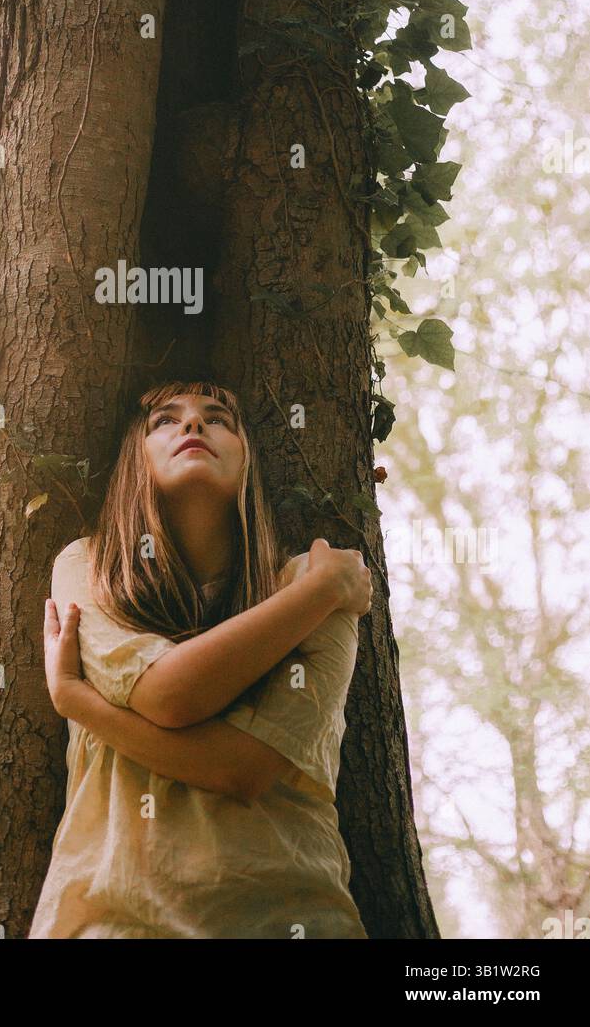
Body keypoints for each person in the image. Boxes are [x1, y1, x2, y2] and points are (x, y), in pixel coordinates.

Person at [28, 379, 373, 939]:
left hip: (290, 917)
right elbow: (169, 694)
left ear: (247, 462)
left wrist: (81, 702)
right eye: (165, 420)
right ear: (134, 459)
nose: (192, 425)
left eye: (218, 418)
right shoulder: (89, 567)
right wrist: (321, 595)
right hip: (113, 919)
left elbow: (243, 769)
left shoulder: (309, 577)